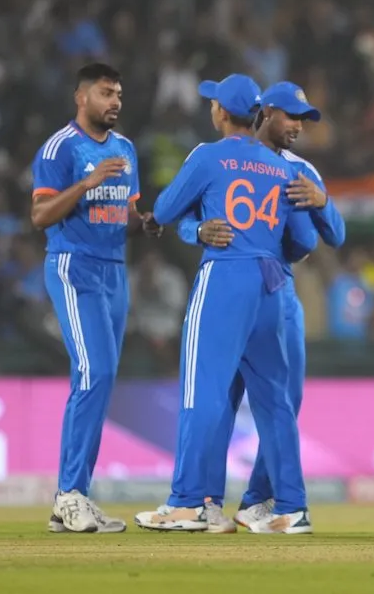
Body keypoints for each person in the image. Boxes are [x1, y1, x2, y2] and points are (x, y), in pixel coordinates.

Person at [134, 74, 320, 534]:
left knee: (204, 392)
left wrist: (184, 227)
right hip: (273, 283)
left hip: (226, 274)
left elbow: (164, 209)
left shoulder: (208, 155)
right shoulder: (283, 168)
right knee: (275, 402)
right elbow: (303, 239)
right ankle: (292, 508)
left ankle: (189, 504)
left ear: (219, 112)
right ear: (257, 115)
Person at [173, 81, 345, 533]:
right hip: (264, 283)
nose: (298, 129)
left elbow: (332, 236)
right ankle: (210, 499)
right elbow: (190, 221)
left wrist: (323, 204)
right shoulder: (268, 168)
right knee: (230, 396)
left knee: (281, 398)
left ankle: (253, 501)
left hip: (269, 287)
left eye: (304, 121)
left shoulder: (298, 169)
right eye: (292, 117)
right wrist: (205, 235)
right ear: (264, 112)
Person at [31, 62, 162, 533]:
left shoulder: (125, 149)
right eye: (107, 93)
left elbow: (123, 209)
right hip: (73, 266)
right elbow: (41, 215)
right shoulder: (60, 148)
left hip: (114, 272)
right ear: (81, 97)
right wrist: (85, 183)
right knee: (95, 372)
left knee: (98, 381)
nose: (116, 102)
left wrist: (142, 222)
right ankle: (70, 494)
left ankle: (73, 498)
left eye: (119, 94)